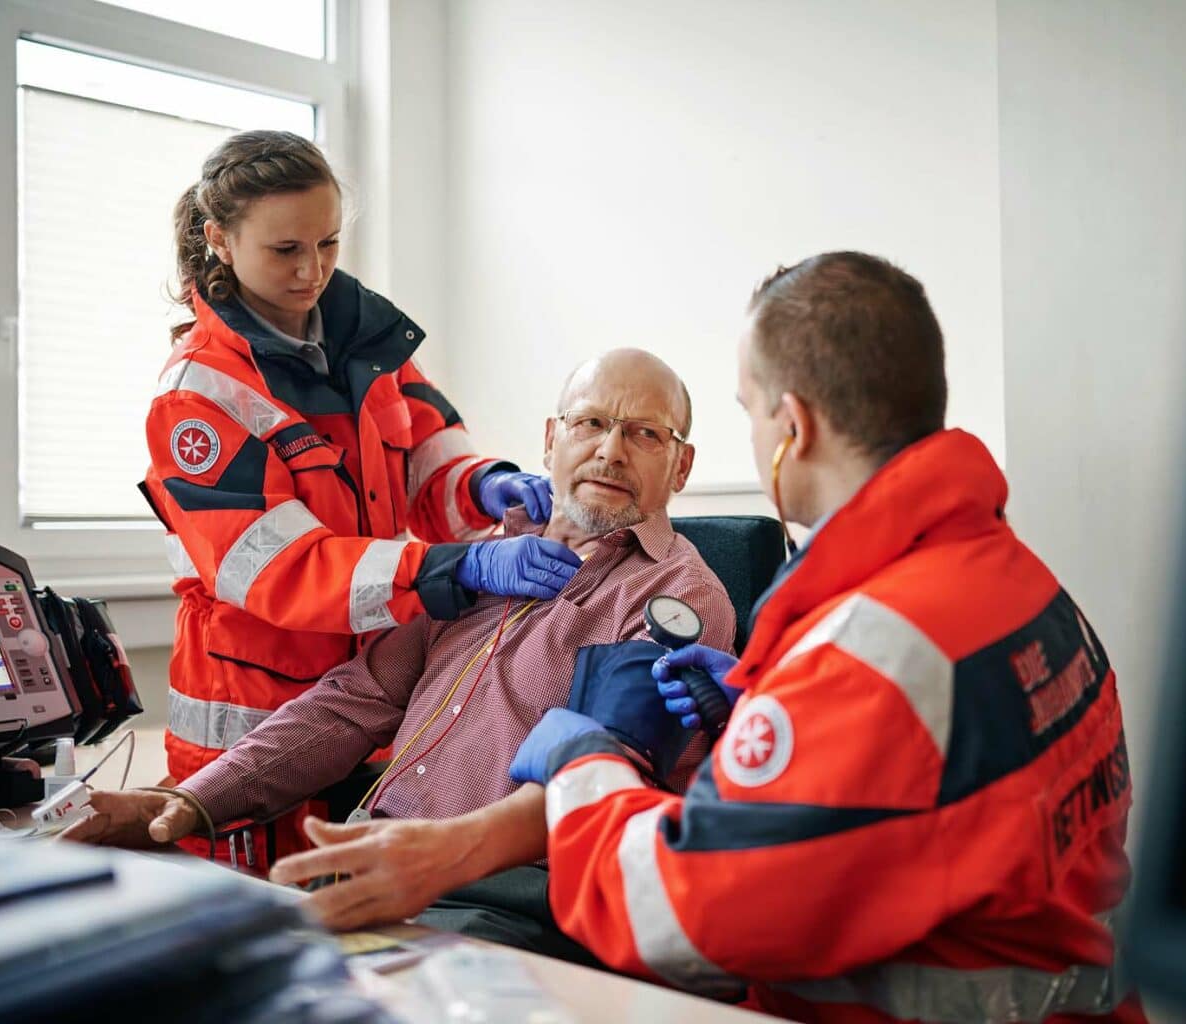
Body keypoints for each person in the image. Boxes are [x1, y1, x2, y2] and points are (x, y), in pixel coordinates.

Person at [512, 253, 1147, 1023]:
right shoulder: (1022, 583)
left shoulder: (869, 657)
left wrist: (586, 761)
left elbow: (676, 917)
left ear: (793, 426)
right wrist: (762, 704)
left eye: (749, 410)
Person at [72, 349, 735, 958]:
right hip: (369, 862)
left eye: (645, 434)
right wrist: (191, 803)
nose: (611, 451)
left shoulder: (679, 595)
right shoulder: (485, 559)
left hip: (502, 901)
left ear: (681, 464)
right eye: (590, 422)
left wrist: (435, 862)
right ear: (550, 437)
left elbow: (597, 781)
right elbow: (351, 704)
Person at [142, 130, 582, 868]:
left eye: (329, 243)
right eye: (286, 250)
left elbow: (431, 463)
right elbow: (280, 567)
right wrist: (453, 572)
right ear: (219, 239)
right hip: (254, 715)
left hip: (367, 703)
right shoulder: (199, 395)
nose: (312, 269)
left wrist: (485, 483)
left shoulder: (369, 344)